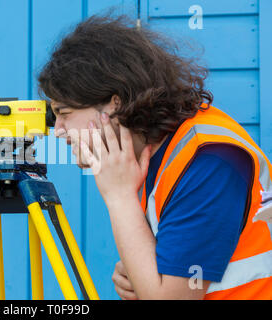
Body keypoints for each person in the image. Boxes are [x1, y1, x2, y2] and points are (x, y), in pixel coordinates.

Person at [37, 13, 272, 299]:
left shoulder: (207, 161)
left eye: (64, 113)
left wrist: (120, 197)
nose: (58, 131)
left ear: (114, 104)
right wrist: (141, 270)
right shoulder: (158, 153)